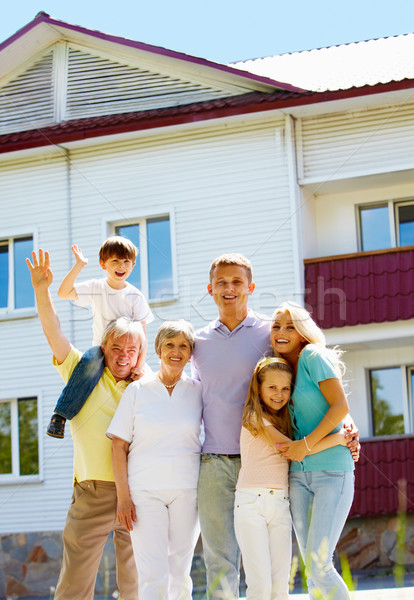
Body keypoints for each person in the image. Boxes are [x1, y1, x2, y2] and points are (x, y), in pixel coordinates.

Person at [26, 248, 141, 600]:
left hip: (137, 491)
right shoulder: (83, 374)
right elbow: (53, 331)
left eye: (131, 350)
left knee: (136, 582)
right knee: (75, 584)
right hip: (92, 491)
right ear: (102, 348)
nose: (123, 356)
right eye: (116, 348)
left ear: (139, 352)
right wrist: (42, 290)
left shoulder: (143, 387)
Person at [235, 356, 357, 600]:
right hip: (251, 504)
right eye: (271, 387)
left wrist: (347, 429)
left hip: (280, 503)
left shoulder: (287, 420)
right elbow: (291, 449)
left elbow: (330, 417)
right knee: (260, 585)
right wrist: (339, 439)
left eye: (285, 388)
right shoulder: (253, 416)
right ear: (258, 388)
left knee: (281, 586)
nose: (279, 394)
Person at [191, 253, 271, 599]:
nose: (229, 288)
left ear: (250, 287)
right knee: (220, 559)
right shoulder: (197, 342)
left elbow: (310, 378)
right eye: (221, 282)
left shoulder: (271, 333)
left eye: (237, 281)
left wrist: (343, 425)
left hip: (262, 461)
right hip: (213, 463)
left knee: (262, 558)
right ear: (210, 289)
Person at [107, 320, 202, 600]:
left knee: (180, 571)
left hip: (187, 491)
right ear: (158, 350)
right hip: (144, 494)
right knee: (152, 573)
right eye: (169, 345)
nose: (176, 351)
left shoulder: (198, 391)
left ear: (190, 353)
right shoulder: (137, 391)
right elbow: (118, 445)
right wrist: (123, 497)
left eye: (183, 346)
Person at [272, 301, 356, 600]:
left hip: (332, 472)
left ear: (303, 332)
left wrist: (305, 446)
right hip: (297, 477)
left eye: (290, 326)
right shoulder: (281, 369)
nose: (281, 332)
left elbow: (340, 406)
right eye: (276, 326)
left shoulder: (312, 355)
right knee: (312, 567)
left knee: (319, 565)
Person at [47, 237, 153, 438]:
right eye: (115, 261)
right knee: (88, 363)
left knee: (149, 381)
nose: (121, 266)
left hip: (128, 353)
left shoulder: (135, 296)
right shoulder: (97, 287)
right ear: (103, 264)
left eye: (126, 262)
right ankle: (60, 414)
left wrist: (139, 366)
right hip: (102, 350)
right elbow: (63, 292)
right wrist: (79, 266)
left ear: (133, 264)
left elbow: (143, 338)